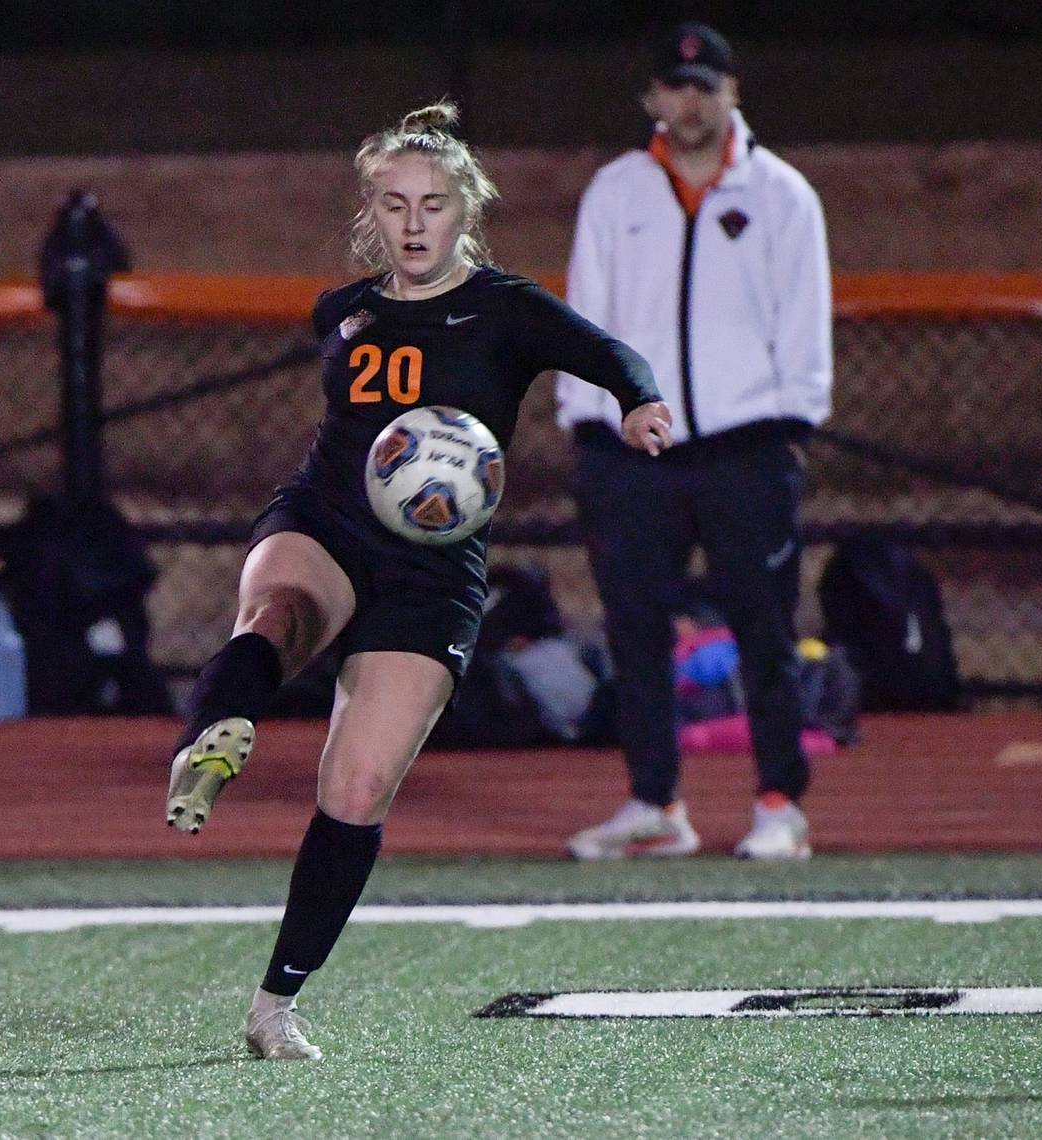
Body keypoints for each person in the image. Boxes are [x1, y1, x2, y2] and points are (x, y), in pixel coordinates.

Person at [163, 102, 672, 1061]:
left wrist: (638, 399)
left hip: (431, 569)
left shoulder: (507, 309)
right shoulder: (342, 312)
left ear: (463, 210)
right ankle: (208, 737)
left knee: (355, 789)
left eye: (431, 204)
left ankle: (275, 1004)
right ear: (372, 212)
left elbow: (608, 353)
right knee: (278, 611)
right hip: (324, 518)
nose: (412, 222)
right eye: (393, 203)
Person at [558, 23, 833, 861]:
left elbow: (805, 323)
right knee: (636, 633)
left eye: (705, 85)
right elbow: (585, 320)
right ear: (652, 97)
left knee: (765, 633)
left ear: (732, 92)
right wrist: (589, 422)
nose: (690, 101)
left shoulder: (783, 194)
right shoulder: (614, 192)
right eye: (675, 86)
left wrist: (786, 422)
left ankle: (779, 802)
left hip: (746, 450)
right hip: (633, 452)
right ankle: (655, 803)